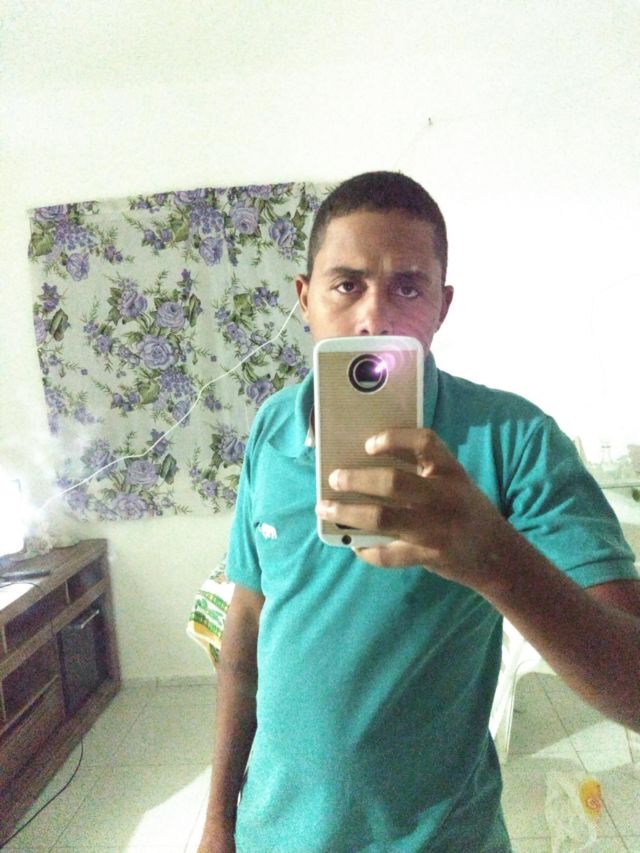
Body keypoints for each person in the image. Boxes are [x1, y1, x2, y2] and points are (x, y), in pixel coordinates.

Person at [198, 172, 640, 853]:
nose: (374, 318)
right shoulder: (271, 427)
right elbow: (248, 623)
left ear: (442, 306)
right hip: (272, 832)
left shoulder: (514, 439)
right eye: (347, 285)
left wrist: (494, 560)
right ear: (305, 299)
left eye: (408, 287)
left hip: (439, 838)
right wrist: (218, 821)